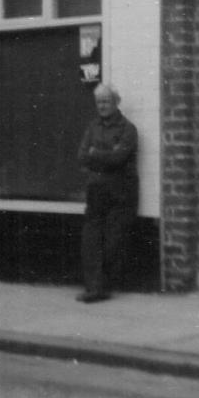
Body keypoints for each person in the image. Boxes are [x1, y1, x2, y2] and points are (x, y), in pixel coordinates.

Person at [75, 83, 139, 304]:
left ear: (116, 103)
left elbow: (119, 158)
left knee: (113, 240)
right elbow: (82, 156)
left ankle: (104, 285)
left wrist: (96, 154)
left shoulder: (127, 129)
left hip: (121, 192)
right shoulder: (92, 127)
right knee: (90, 240)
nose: (102, 106)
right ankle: (94, 288)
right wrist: (103, 155)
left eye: (106, 101)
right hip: (96, 190)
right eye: (99, 102)